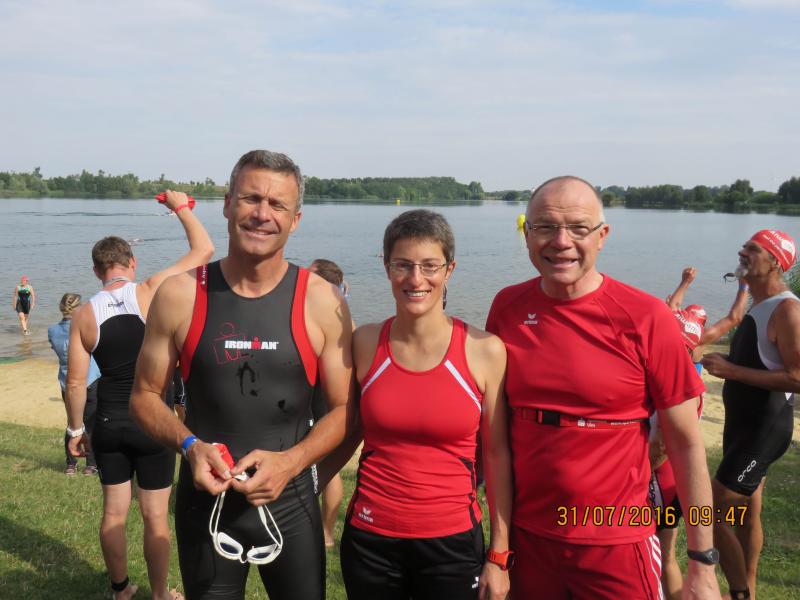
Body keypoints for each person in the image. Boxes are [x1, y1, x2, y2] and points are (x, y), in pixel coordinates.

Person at [129, 149, 354, 600]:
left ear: (295, 220)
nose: (262, 214)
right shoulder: (180, 295)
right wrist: (190, 446)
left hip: (290, 503)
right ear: (228, 204)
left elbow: (347, 409)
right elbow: (144, 396)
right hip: (205, 501)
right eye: (251, 198)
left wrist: (292, 462)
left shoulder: (321, 300)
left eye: (277, 205)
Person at [486, 176, 721, 599]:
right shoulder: (507, 307)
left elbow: (686, 445)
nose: (561, 242)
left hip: (617, 542)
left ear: (602, 235)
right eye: (545, 227)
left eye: (578, 228)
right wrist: (498, 551)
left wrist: (703, 563)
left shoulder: (646, 317)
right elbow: (495, 435)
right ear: (528, 234)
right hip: (529, 540)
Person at [319, 209, 513, 600]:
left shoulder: (485, 351)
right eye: (403, 265)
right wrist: (303, 488)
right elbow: (348, 429)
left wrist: (499, 554)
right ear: (387, 268)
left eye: (429, 266)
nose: (416, 279)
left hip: (452, 543)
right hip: (371, 538)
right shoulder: (365, 343)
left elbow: (496, 455)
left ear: (450, 269)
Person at [65, 191, 214, 600]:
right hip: (153, 422)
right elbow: (204, 249)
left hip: (108, 423)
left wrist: (76, 429)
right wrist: (179, 207)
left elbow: (76, 383)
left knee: (114, 512)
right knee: (155, 517)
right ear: (132, 263)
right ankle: (160, 593)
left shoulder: (84, 315)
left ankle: (121, 590)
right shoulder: (149, 291)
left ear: (96, 271)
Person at [702, 229, 799, 600]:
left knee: (706, 512)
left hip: (764, 430)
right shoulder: (759, 304)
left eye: (753, 249)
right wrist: (730, 363)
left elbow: (797, 377)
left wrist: (733, 371)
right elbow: (763, 360)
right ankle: (752, 590)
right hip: (742, 427)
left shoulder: (787, 309)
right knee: (745, 513)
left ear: (775, 262)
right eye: (743, 246)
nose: (743, 252)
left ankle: (739, 593)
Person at [648, 309, 707, 600]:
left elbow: (661, 445)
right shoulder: (690, 378)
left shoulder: (674, 383)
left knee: (656, 553)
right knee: (667, 555)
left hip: (660, 481)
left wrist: (633, 474)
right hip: (673, 479)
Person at [308, 258, 349, 548]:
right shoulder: (341, 312)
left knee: (326, 467)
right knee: (328, 466)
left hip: (322, 400)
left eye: (309, 275)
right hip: (327, 398)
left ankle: (324, 532)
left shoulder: (324, 314)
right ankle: (325, 532)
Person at [48, 293, 102, 475]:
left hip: (66, 382)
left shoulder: (52, 331)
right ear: (79, 308)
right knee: (91, 423)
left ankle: (70, 464)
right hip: (90, 379)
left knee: (72, 423)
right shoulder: (86, 327)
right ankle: (91, 465)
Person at [666, 266, 750, 369]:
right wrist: (744, 286)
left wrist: (685, 281)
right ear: (702, 325)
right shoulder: (702, 338)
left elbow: (675, 306)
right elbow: (734, 318)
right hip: (689, 377)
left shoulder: (675, 325)